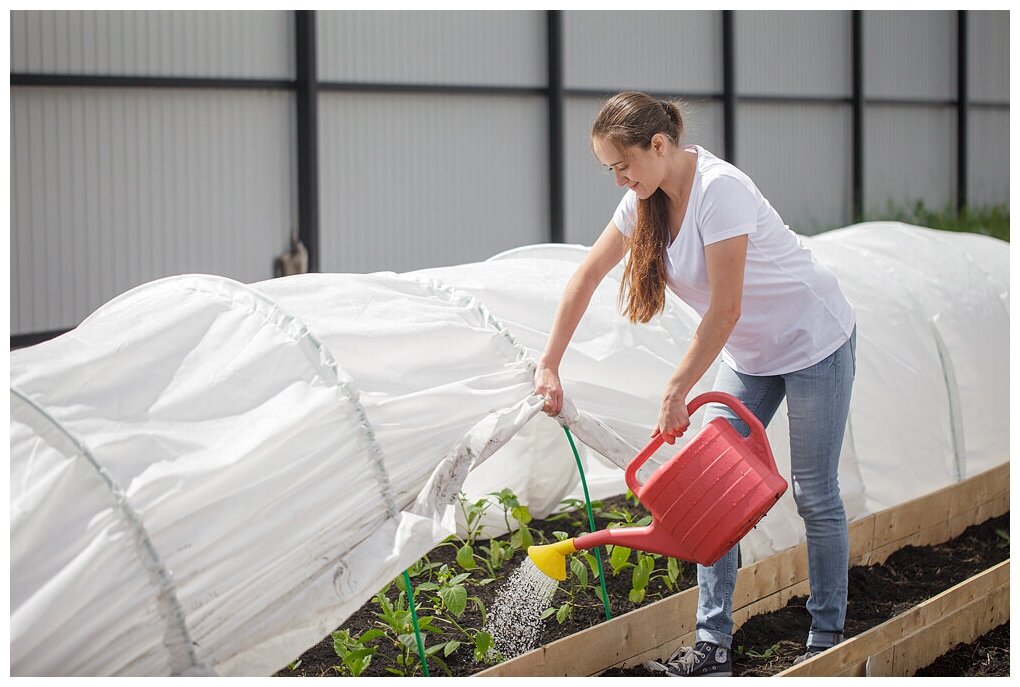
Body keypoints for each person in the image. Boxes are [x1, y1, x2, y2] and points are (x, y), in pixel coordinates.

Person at [534, 91, 857, 677]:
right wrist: (549, 362)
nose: (618, 179)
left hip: (813, 341)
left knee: (814, 491)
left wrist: (677, 386)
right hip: (749, 354)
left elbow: (726, 307)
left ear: (659, 145)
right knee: (711, 491)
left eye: (622, 164)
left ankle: (827, 636)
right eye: (609, 168)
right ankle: (712, 647)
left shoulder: (719, 191)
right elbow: (584, 277)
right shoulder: (642, 204)